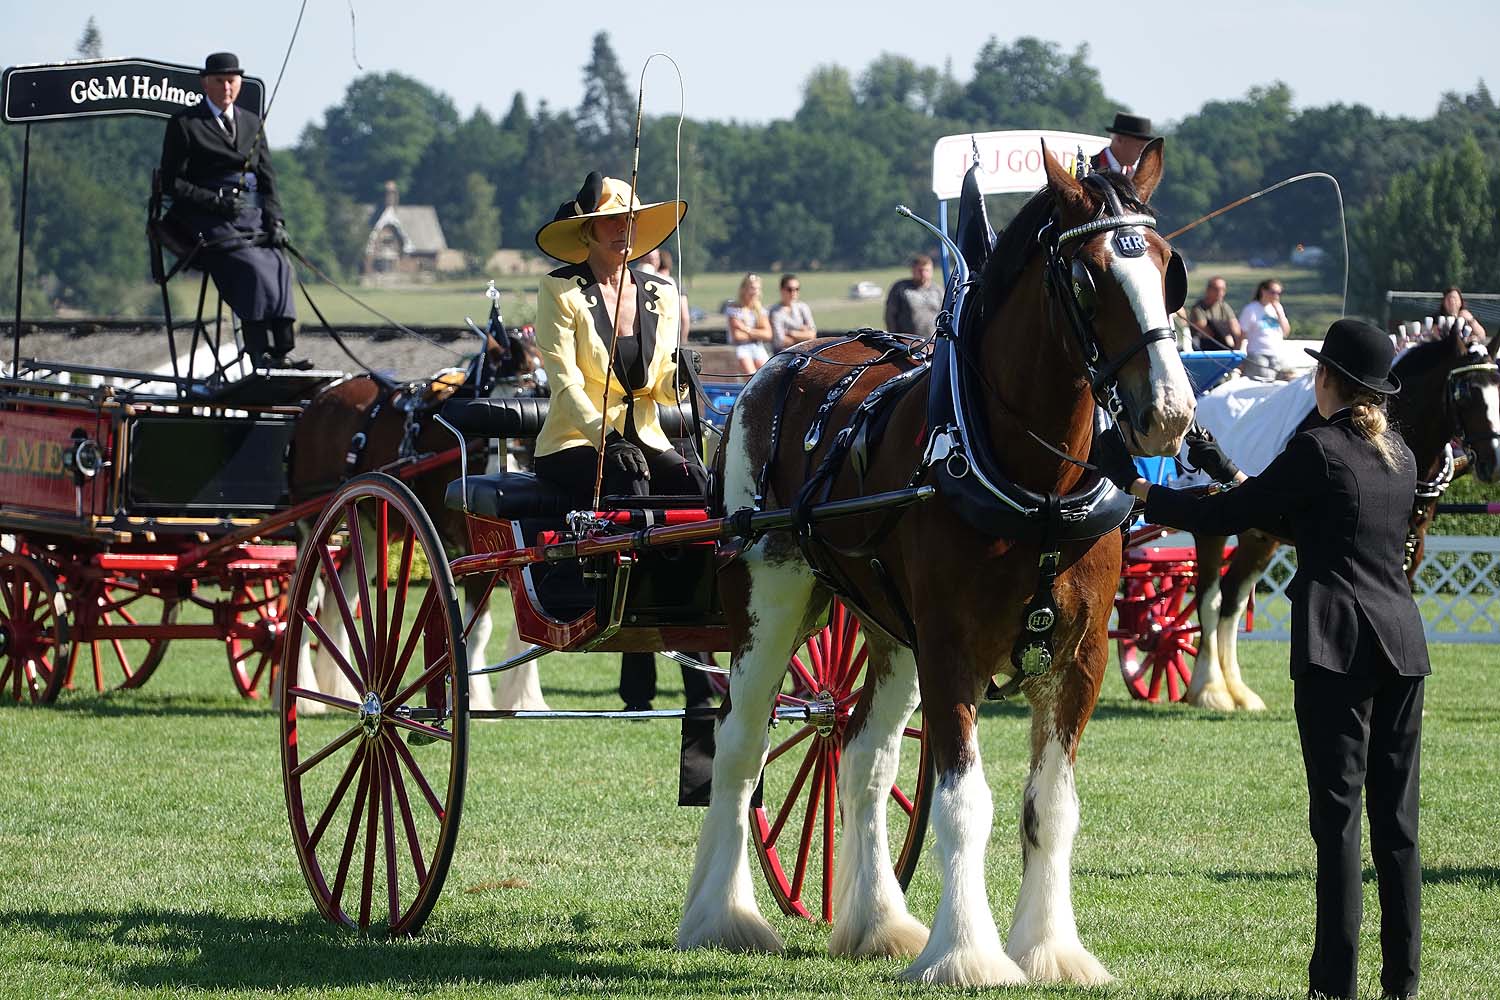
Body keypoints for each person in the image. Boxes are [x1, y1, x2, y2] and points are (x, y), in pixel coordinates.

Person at [1117, 319, 1428, 1000]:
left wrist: (1143, 492)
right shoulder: (1398, 454)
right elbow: (1301, 519)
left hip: (1336, 649)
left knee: (1339, 824)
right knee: (1398, 827)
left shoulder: (1316, 446)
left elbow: (1232, 517)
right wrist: (1226, 469)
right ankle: (1402, 983)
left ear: (1326, 381)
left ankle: (1333, 986)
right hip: (1403, 649)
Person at [531, 171, 714, 730]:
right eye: (611, 222)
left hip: (646, 434)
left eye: (631, 222)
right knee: (630, 494)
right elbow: (563, 382)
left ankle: (701, 664)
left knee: (701, 493)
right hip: (572, 440)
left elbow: (658, 389)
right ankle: (637, 674)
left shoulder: (662, 293)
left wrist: (681, 381)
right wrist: (604, 437)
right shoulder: (559, 291)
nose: (624, 232)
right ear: (585, 233)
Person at [159, 52, 307, 370]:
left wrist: (276, 221)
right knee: (250, 264)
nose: (227, 87)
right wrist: (214, 202)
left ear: (239, 83)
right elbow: (172, 183)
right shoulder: (185, 124)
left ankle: (281, 350)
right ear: (205, 84)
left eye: (232, 81)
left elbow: (268, 179)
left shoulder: (252, 123)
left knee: (279, 263)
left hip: (249, 215)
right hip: (205, 216)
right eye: (219, 81)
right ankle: (258, 350)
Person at [1239, 278, 1291, 379]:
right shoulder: (1251, 309)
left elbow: (1286, 332)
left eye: (1278, 293)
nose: (1276, 296)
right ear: (1263, 291)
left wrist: (1279, 313)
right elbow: (1242, 333)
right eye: (1273, 292)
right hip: (1258, 353)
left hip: (1276, 354)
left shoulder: (1277, 308)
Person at [883, 253, 942, 338]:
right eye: (920, 270)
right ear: (913, 270)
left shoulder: (938, 291)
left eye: (927, 270)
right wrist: (895, 338)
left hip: (933, 341)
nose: (923, 274)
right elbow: (890, 316)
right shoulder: (901, 288)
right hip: (907, 342)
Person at [726, 273, 773, 373]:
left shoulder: (760, 311)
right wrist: (758, 333)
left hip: (757, 346)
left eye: (757, 289)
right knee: (751, 376)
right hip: (740, 347)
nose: (755, 292)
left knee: (766, 374)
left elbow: (768, 334)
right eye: (752, 288)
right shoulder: (734, 309)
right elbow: (737, 336)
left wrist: (745, 329)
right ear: (743, 289)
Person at [1188, 276, 1245, 351]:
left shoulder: (1224, 306)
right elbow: (1206, 332)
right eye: (1216, 289)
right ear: (1208, 290)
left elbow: (1235, 327)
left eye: (1223, 290)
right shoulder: (1199, 308)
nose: (1220, 293)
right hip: (1205, 347)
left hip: (1225, 345)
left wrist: (1237, 346)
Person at [768, 273, 816, 353]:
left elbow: (812, 334)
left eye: (796, 289)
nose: (793, 293)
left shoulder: (803, 307)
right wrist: (802, 332)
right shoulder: (775, 312)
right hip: (783, 353)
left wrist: (791, 333)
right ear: (782, 290)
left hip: (804, 352)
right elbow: (780, 341)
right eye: (789, 289)